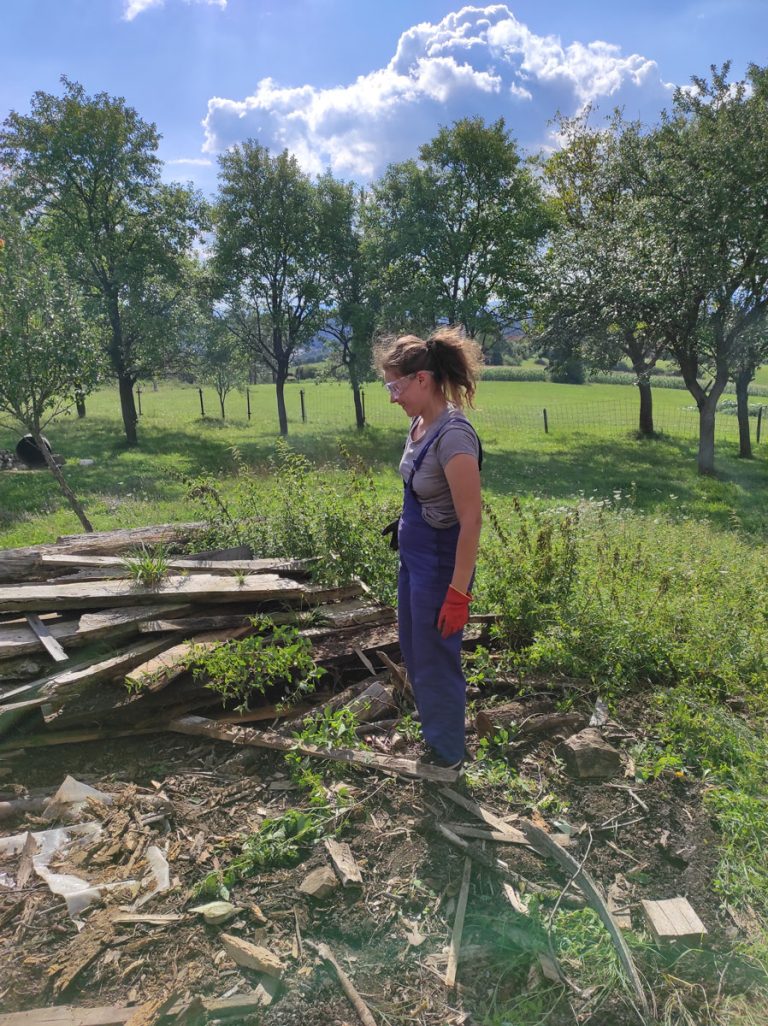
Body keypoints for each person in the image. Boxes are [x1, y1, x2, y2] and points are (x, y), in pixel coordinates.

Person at [376, 327, 483, 769]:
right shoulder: (420, 424)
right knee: (416, 649)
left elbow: (471, 519)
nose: (392, 397)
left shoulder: (454, 437)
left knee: (437, 657)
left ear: (422, 380)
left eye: (396, 387)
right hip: (414, 556)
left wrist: (458, 593)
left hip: (442, 565)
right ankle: (437, 734)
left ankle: (448, 756)